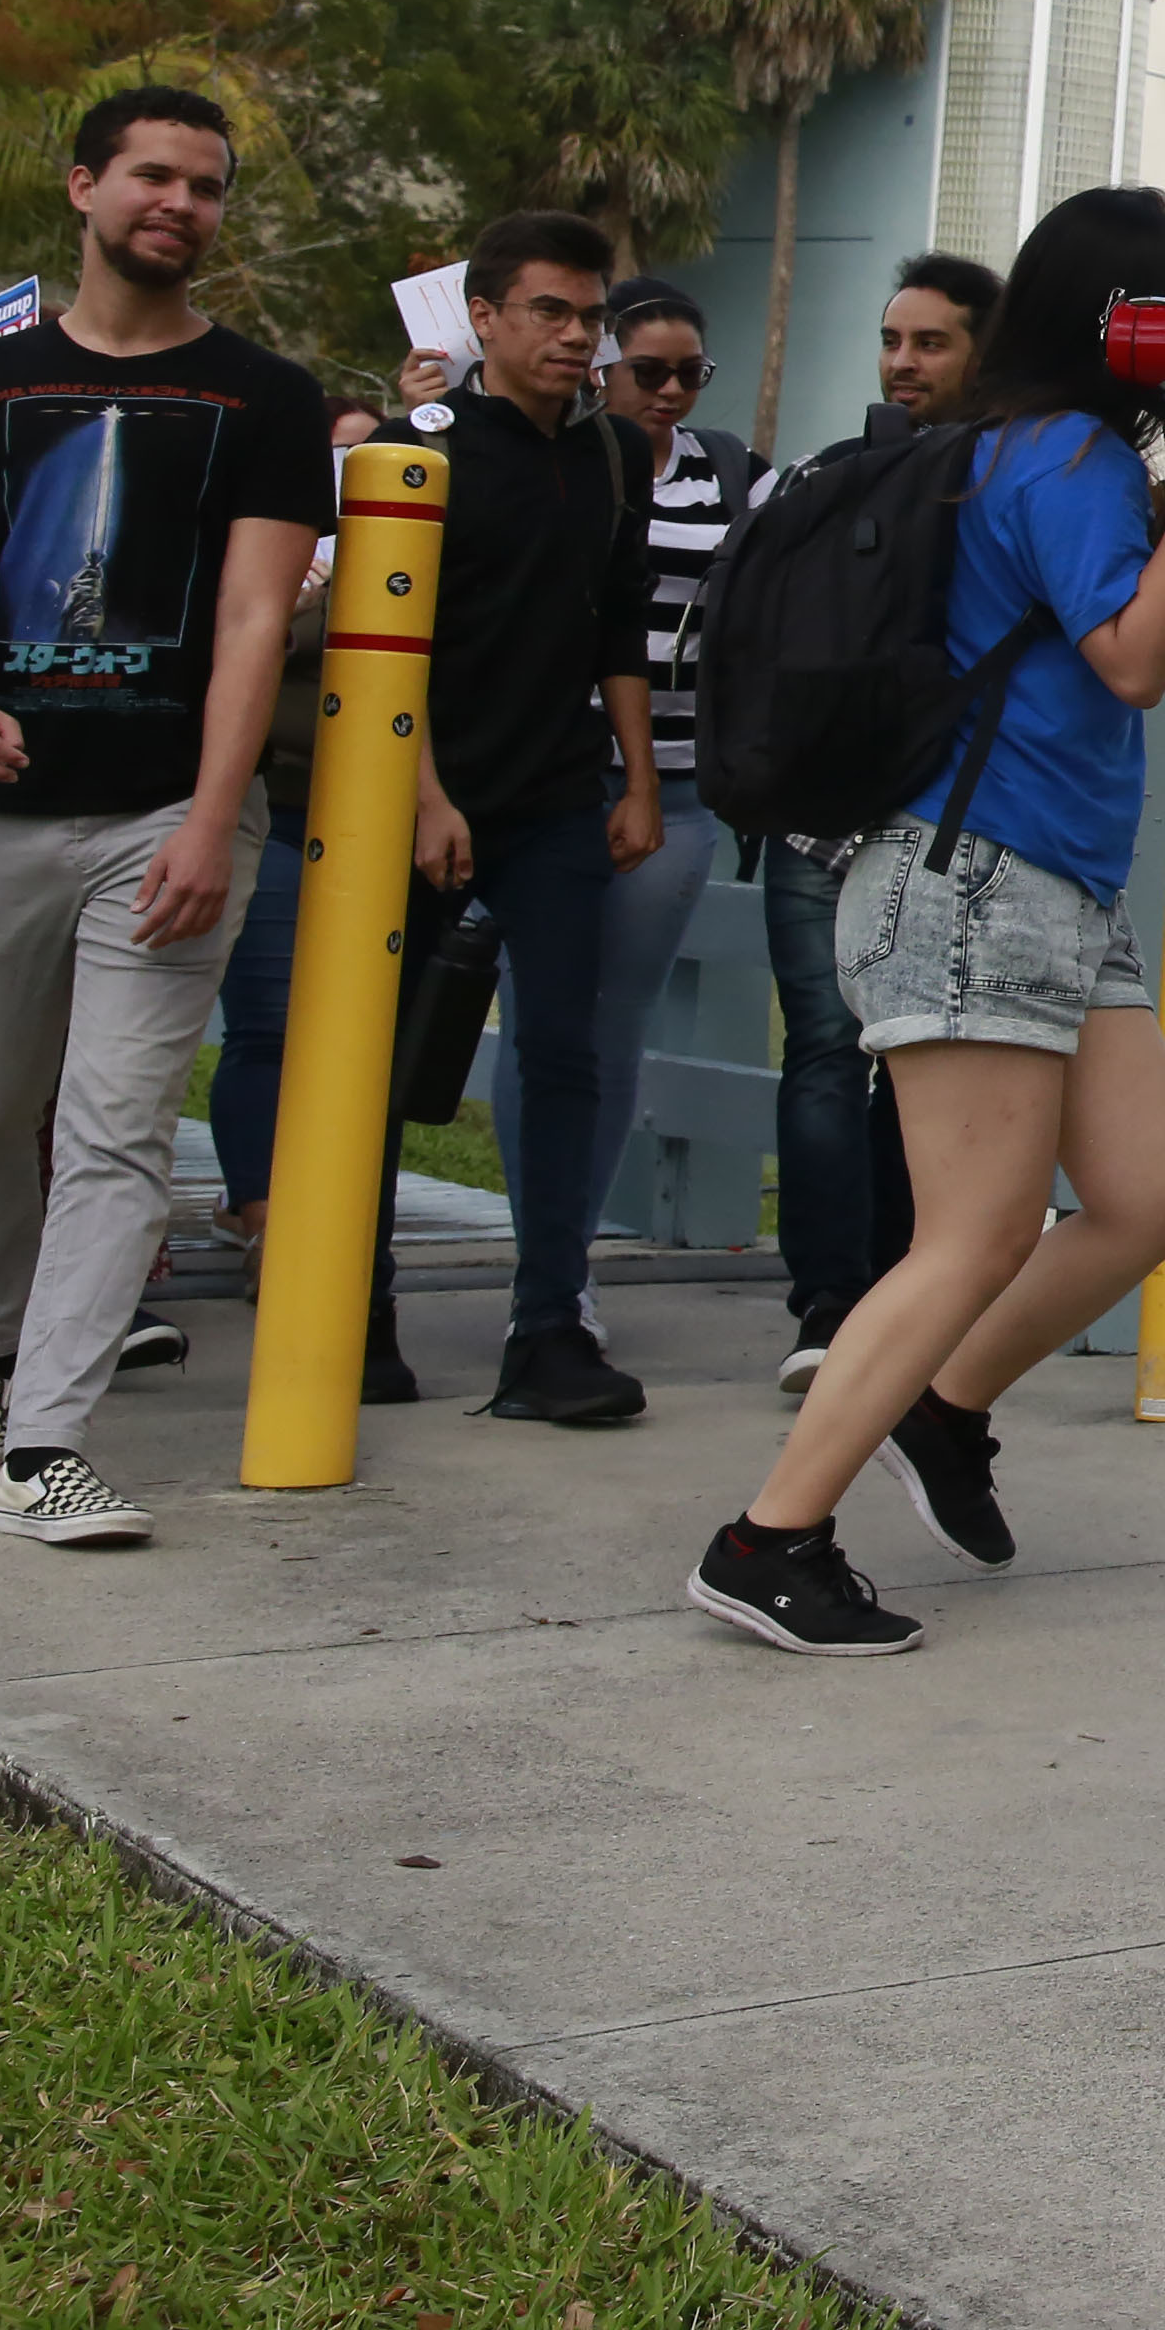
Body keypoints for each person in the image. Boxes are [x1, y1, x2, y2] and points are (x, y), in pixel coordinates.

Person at [683, 189, 1165, 1659]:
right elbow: (1132, 659)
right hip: (973, 880)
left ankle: (942, 1407)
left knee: (1150, 1196)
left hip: (1055, 885)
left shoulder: (1062, 450)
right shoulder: (1059, 455)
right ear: (1123, 322)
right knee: (973, 1235)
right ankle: (770, 1540)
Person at [0, 92, 331, 1549]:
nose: (180, 204)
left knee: (117, 1127)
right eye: (154, 175)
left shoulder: (266, 395)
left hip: (165, 813)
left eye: (205, 186)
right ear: (85, 186)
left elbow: (261, 617)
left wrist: (215, 818)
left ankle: (47, 1446)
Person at [402, 213, 665, 1427]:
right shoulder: (426, 446)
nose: (575, 336)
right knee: (379, 1068)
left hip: (560, 800)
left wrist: (640, 780)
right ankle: (347, 1316)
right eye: (550, 313)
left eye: (589, 316)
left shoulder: (614, 453)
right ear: (486, 320)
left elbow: (619, 624)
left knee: (564, 1054)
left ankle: (549, 1327)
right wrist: (423, 792)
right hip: (415, 799)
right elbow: (379, 639)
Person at [758, 252, 999, 1388]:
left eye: (931, 343)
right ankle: (834, 1309)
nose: (904, 363)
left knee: (891, 1066)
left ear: (981, 355)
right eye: (894, 341)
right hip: (838, 818)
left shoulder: (984, 482)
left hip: (903, 824)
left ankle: (872, 1305)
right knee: (834, 1060)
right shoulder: (840, 475)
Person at [579, 282, 752, 1246]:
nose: (673, 391)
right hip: (560, 774)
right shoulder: (561, 465)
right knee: (548, 1024)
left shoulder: (725, 474)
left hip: (681, 781)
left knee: (615, 1031)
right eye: (651, 371)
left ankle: (566, 1265)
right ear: (605, 367)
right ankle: (546, 1252)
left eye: (693, 373)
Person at [199, 390, 391, 1250]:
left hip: (371, 817)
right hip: (274, 806)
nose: (351, 480)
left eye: (370, 461)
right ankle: (260, 1216)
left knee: (354, 1035)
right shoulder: (261, 550)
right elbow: (250, 638)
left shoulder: (407, 553)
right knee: (268, 1022)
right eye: (338, 463)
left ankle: (333, 1225)